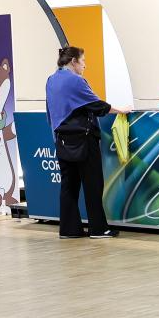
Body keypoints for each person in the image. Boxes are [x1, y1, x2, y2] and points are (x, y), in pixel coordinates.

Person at [45, 46, 130, 239]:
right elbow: (96, 105)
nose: (85, 65)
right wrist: (120, 110)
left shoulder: (51, 79)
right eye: (83, 61)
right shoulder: (76, 80)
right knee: (93, 184)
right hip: (84, 138)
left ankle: (69, 229)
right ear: (73, 61)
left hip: (62, 139)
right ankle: (98, 229)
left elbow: (51, 111)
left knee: (69, 185)